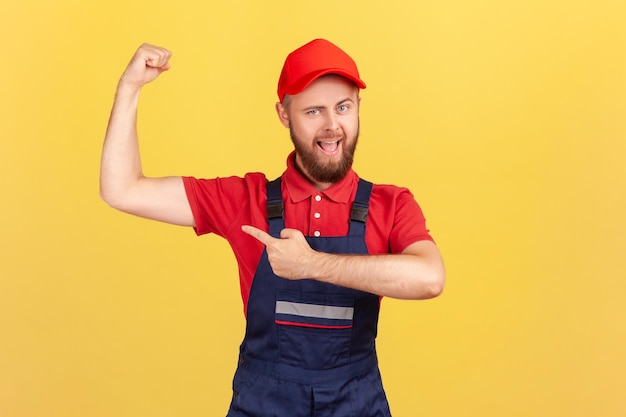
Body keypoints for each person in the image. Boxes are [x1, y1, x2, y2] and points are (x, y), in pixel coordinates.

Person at [100, 38, 445, 417]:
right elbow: (123, 189)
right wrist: (129, 88)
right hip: (264, 404)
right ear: (284, 115)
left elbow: (429, 278)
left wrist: (311, 265)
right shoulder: (244, 199)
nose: (333, 127)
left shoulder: (390, 204)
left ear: (358, 106)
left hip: (355, 403)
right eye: (314, 112)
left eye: (343, 107)